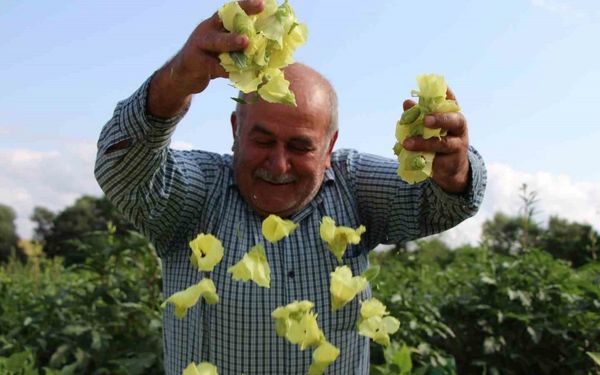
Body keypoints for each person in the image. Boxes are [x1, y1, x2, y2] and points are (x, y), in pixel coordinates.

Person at [94, 1, 487, 373]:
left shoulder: (353, 184)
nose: (279, 164)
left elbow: (441, 204)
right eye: (263, 141)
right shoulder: (195, 194)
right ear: (236, 131)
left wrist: (453, 173)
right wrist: (175, 82)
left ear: (329, 147)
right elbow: (121, 171)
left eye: (300, 147)